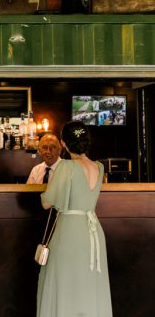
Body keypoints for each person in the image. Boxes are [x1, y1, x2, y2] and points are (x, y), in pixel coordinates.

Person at [37, 121, 112, 317]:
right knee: (89, 283)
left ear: (63, 143)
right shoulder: (99, 167)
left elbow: (47, 202)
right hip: (93, 230)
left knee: (65, 282)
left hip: (70, 232)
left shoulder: (66, 167)